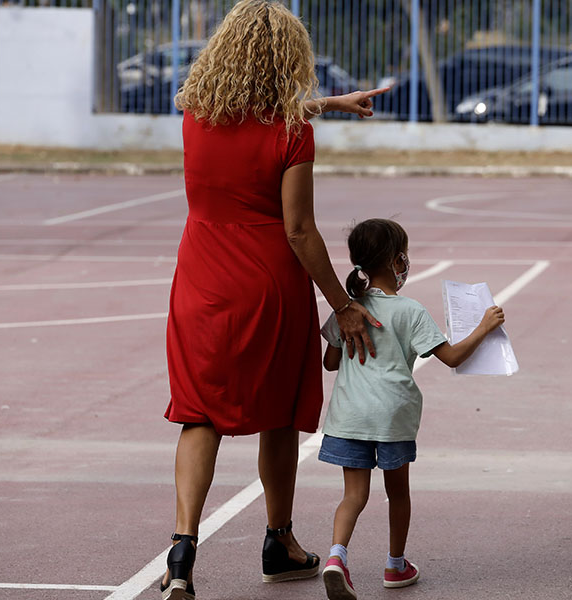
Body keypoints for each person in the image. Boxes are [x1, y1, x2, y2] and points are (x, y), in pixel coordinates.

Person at [160, 3, 390, 599]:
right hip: (268, 282)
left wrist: (330, 106)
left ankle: (182, 554)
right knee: (281, 412)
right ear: (288, 58)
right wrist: (341, 302)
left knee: (199, 412)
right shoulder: (292, 132)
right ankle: (278, 540)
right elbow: (299, 230)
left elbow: (248, 117)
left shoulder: (195, 113)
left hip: (200, 279)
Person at [318, 219, 506, 600]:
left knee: (353, 496)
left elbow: (330, 362)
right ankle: (395, 564)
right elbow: (451, 357)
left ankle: (336, 559)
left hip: (349, 416)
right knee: (397, 493)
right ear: (394, 260)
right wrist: (484, 327)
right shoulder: (410, 310)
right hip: (392, 416)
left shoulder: (347, 310)